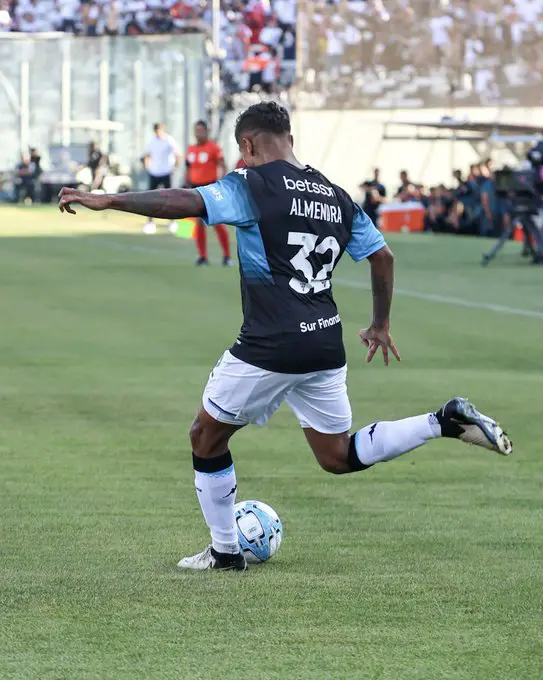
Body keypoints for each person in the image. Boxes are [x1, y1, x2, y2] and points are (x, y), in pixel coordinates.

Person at [58, 102, 513, 572]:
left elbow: (187, 201)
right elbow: (383, 257)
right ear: (290, 138)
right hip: (324, 343)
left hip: (270, 343)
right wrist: (379, 324)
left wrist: (111, 199)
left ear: (249, 145)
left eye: (243, 152)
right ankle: (445, 421)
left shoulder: (253, 184)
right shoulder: (336, 195)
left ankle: (224, 552)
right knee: (337, 455)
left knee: (206, 437)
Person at [185, 120, 231, 266]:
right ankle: (203, 256)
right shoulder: (191, 149)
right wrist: (186, 184)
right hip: (195, 189)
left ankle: (227, 256)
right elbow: (188, 168)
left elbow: (223, 166)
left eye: (200, 130)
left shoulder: (214, 148)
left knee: (217, 222)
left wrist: (223, 183)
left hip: (210, 188)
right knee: (198, 223)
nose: (198, 133)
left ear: (206, 132)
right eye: (196, 130)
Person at [141, 122, 181, 234]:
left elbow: (177, 154)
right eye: (156, 130)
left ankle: (172, 222)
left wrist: (175, 167)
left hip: (166, 173)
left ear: (163, 130)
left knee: (170, 198)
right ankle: (149, 222)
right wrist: (147, 165)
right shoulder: (152, 141)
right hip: (154, 173)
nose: (158, 132)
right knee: (151, 198)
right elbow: (147, 155)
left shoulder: (169, 140)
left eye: (159, 130)